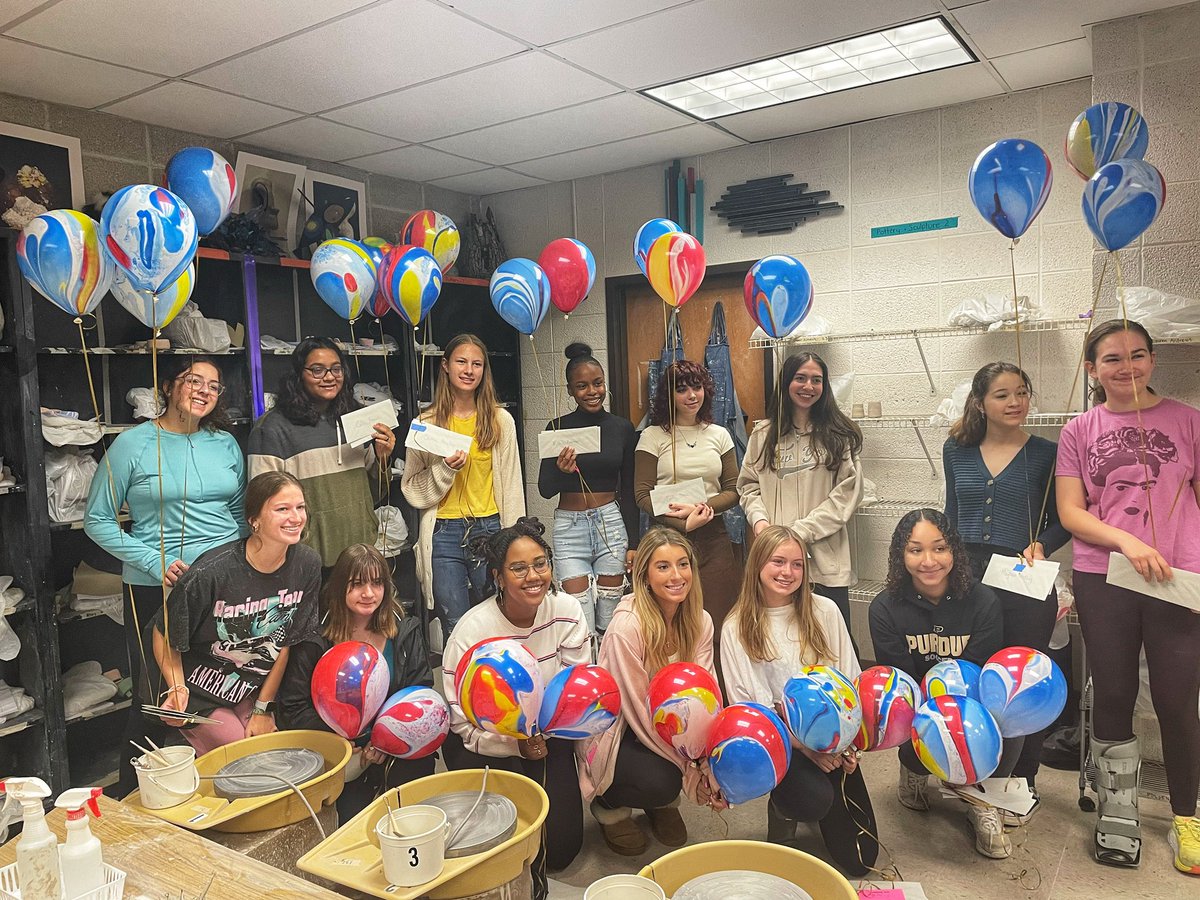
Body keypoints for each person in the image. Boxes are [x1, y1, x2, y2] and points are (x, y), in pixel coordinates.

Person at [1056, 319, 1200, 875]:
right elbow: (1071, 512)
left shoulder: (1188, 421)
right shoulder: (1079, 429)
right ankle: (1118, 813)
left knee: (1176, 699)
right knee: (1113, 692)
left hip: (1177, 578)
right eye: (1112, 358)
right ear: (1092, 368)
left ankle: (1186, 817)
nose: (1127, 367)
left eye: (1137, 355)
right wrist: (1127, 541)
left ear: (1152, 360)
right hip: (1105, 575)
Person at [83, 355, 246, 796]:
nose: (204, 391)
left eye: (213, 385)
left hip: (223, 586)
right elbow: (97, 520)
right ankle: (131, 798)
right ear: (169, 387)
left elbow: (238, 514)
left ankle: (214, 789)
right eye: (194, 381)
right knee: (158, 698)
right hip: (157, 588)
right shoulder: (133, 444)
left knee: (223, 688)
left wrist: (241, 567)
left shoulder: (225, 444)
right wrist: (155, 561)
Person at [439, 518, 588, 900]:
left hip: (547, 735)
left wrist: (544, 737)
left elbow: (575, 691)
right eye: (518, 568)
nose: (533, 576)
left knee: (561, 850)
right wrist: (511, 746)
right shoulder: (472, 630)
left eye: (540, 564)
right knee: (503, 837)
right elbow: (459, 722)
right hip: (484, 741)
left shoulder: (567, 610)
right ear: (498, 577)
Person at [721, 525, 878, 876]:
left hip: (834, 740)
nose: (787, 573)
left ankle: (818, 795)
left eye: (797, 564)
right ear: (757, 565)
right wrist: (807, 749)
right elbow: (752, 711)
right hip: (783, 743)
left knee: (861, 861)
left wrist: (848, 746)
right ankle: (784, 809)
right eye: (777, 562)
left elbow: (851, 684)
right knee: (812, 799)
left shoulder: (825, 611)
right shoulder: (737, 626)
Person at [943, 361, 1069, 794]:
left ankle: (1020, 779)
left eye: (1022, 392)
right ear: (980, 403)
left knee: (1024, 682)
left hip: (1023, 576)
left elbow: (1064, 519)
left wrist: (1042, 545)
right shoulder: (955, 449)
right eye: (1002, 395)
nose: (1016, 402)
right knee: (973, 673)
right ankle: (970, 767)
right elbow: (951, 514)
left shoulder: (1047, 453)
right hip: (967, 577)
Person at [868, 509, 1018, 859]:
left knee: (1009, 712)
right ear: (900, 554)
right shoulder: (884, 609)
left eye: (939, 548)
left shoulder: (983, 601)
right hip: (921, 707)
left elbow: (981, 677)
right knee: (898, 709)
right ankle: (914, 768)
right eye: (915, 550)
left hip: (969, 704)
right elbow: (902, 687)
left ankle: (982, 799)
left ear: (954, 551)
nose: (928, 561)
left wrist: (963, 737)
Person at [150, 471, 321, 754]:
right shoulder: (212, 572)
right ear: (254, 520)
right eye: (282, 509)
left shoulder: (307, 564)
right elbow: (163, 631)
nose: (295, 518)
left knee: (270, 750)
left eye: (300, 507)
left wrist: (263, 708)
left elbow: (286, 643)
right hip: (197, 683)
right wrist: (177, 688)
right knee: (245, 753)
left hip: (248, 685)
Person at [579, 528, 723, 857]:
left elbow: (707, 697)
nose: (677, 576)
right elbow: (637, 713)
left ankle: (661, 803)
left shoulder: (700, 621)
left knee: (676, 776)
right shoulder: (626, 627)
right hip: (625, 730)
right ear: (644, 576)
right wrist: (690, 771)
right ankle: (610, 806)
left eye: (683, 564)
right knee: (662, 781)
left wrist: (710, 763)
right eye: (663, 567)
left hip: (669, 727)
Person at [279, 543, 435, 822]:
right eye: (357, 584)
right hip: (337, 752)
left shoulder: (405, 629)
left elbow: (420, 690)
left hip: (394, 748)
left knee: (413, 811)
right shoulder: (315, 639)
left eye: (377, 583)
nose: (369, 593)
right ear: (340, 587)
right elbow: (293, 707)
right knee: (352, 824)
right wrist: (337, 739)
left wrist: (386, 741)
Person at [402, 334, 524, 640]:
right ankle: (460, 672)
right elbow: (411, 488)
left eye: (477, 364)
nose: (469, 370)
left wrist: (514, 538)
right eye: (461, 362)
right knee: (455, 624)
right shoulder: (426, 423)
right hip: (443, 532)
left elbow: (512, 485)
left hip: (490, 528)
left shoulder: (500, 420)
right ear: (445, 365)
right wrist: (445, 469)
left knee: (498, 616)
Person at [738, 352, 864, 638]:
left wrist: (799, 532)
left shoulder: (839, 435)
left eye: (816, 380)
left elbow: (847, 495)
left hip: (824, 561)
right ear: (786, 382)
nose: (808, 386)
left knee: (831, 640)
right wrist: (760, 522)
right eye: (800, 378)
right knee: (778, 639)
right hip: (775, 560)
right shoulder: (763, 434)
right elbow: (748, 485)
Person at [248, 337, 396, 569]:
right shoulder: (272, 428)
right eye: (317, 370)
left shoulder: (355, 419)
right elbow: (261, 507)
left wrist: (383, 458)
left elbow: (374, 493)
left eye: (336, 369)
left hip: (358, 554)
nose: (329, 377)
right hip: (304, 561)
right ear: (298, 375)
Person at [635, 360, 739, 655]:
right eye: (681, 389)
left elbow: (734, 489)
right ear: (668, 395)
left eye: (697, 387)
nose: (692, 395)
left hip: (713, 536)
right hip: (666, 538)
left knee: (718, 623)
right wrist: (682, 524)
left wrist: (700, 509)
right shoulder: (653, 436)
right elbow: (641, 494)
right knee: (669, 624)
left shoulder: (719, 434)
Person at [538, 343, 638, 638]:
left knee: (610, 616)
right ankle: (583, 665)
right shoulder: (557, 427)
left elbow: (629, 488)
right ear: (570, 390)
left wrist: (634, 542)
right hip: (569, 529)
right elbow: (544, 489)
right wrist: (560, 470)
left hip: (611, 524)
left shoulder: (622, 428)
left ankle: (607, 665)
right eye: (582, 386)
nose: (592, 391)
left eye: (598, 383)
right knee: (577, 616)